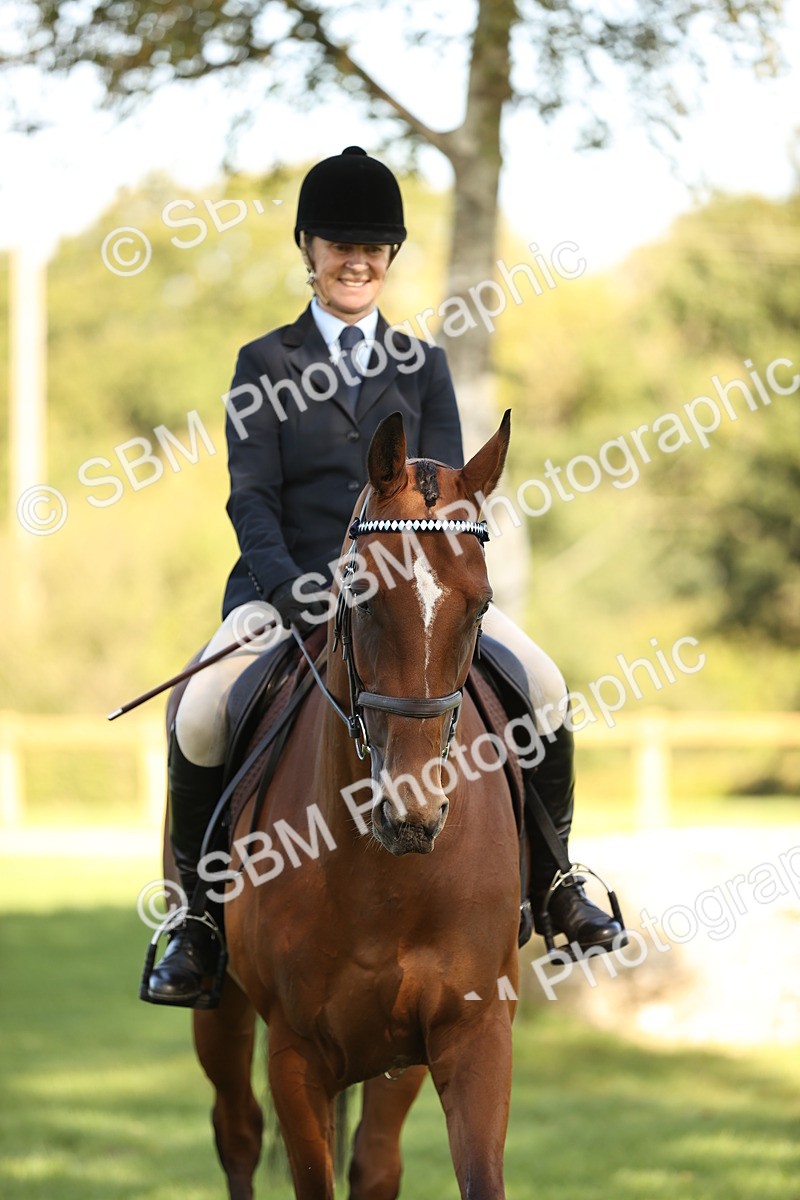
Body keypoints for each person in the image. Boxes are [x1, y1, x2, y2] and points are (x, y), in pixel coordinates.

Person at [145, 146, 623, 1007]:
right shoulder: (265, 363)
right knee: (206, 714)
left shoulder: (423, 362)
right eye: (339, 242)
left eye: (374, 246)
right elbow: (249, 498)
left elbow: (441, 488)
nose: (357, 259)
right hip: (281, 590)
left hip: (413, 600)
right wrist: (294, 586)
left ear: (391, 257)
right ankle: (198, 923)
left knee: (545, 684)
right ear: (308, 250)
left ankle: (557, 885)